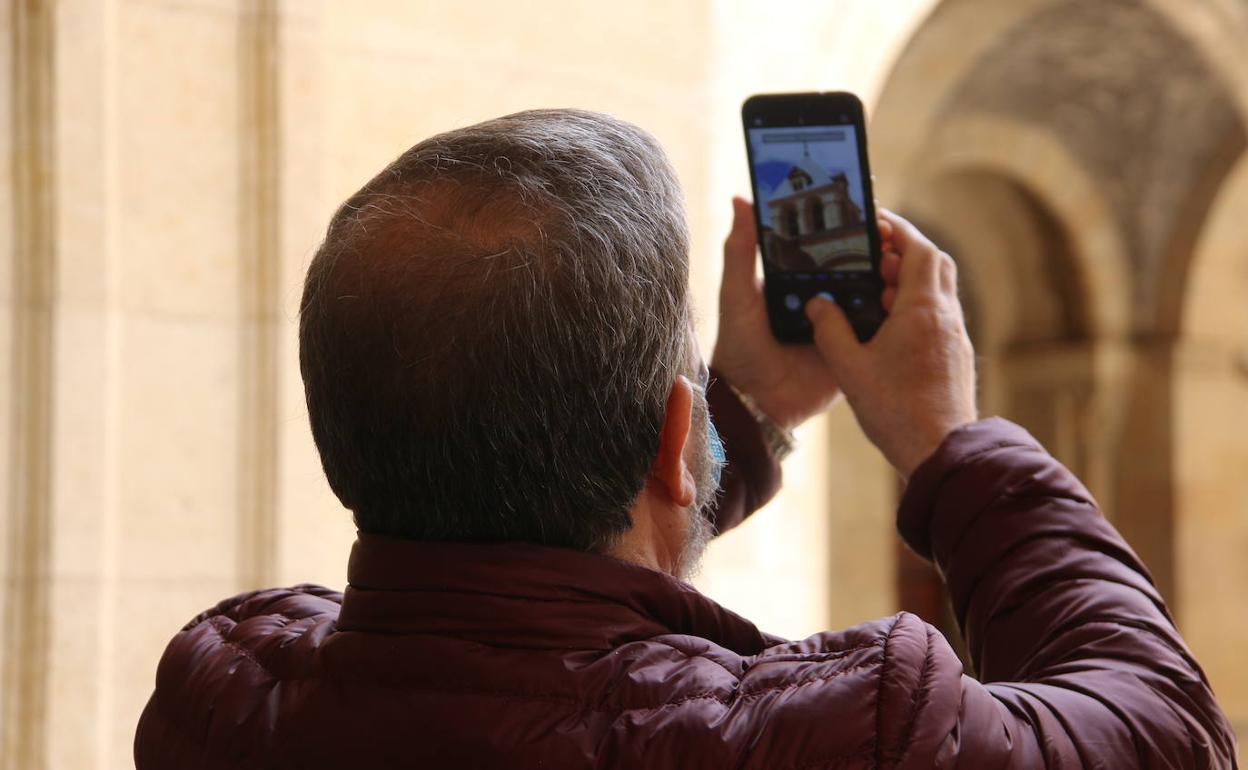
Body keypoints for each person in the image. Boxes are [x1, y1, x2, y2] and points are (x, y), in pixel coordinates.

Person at [134, 109, 1236, 769]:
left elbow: (496, 610)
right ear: (675, 433)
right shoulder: (840, 736)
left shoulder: (221, 693)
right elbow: (1166, 731)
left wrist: (740, 414)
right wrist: (948, 439)